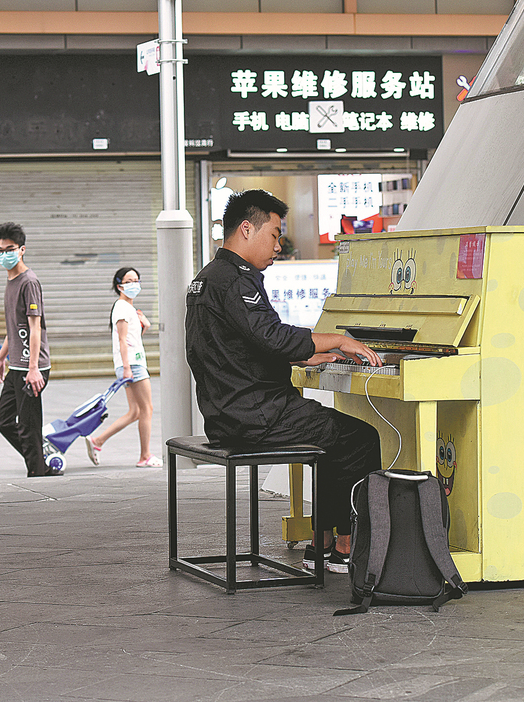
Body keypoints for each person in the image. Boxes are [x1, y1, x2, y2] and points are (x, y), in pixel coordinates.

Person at [185, 189, 383, 574]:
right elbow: (271, 336)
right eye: (274, 235)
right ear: (247, 229)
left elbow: (235, 347)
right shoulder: (236, 281)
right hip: (257, 416)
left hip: (228, 412)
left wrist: (306, 355)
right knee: (359, 439)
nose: (279, 246)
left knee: (330, 437)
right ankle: (347, 547)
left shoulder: (207, 278)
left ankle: (321, 545)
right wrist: (338, 340)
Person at [0, 222, 58, 477]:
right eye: (0, 250)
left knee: (29, 425)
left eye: (10, 249)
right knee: (3, 420)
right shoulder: (11, 281)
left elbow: (34, 327)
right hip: (16, 365)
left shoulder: (29, 282)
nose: (4, 254)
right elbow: (14, 328)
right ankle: (39, 457)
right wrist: (0, 359)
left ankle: (39, 471)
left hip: (31, 367)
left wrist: (34, 368)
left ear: (22, 249)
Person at [84, 267, 157, 467]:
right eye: (129, 281)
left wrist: (144, 326)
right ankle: (145, 456)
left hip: (132, 362)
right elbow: (122, 340)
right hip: (133, 364)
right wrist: (126, 368)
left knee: (135, 411)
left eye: (136, 280)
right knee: (147, 409)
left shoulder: (128, 308)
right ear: (119, 286)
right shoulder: (122, 307)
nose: (134, 284)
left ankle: (97, 441)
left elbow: (131, 339)